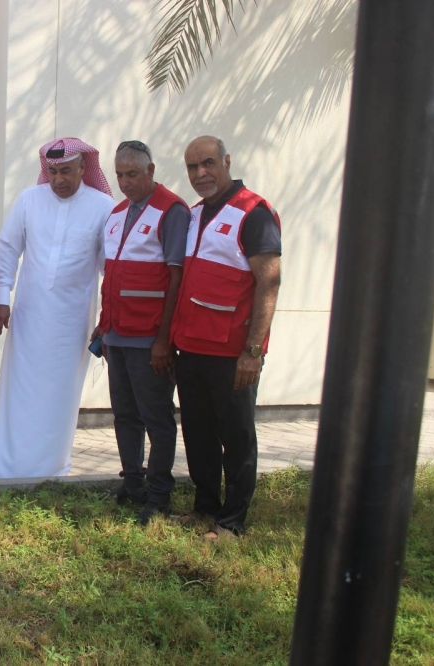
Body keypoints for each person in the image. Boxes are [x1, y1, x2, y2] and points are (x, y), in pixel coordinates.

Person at [0, 138, 115, 479]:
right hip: (28, 315)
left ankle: (50, 469)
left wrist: (109, 317)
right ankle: (4, 467)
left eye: (66, 171)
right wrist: (0, 299)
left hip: (72, 320)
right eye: (52, 172)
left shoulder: (103, 207)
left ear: (84, 169)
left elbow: (110, 268)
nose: (58, 180)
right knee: (19, 390)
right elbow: (9, 247)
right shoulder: (29, 200)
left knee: (59, 395)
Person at [172, 135, 282, 541]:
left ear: (226, 161)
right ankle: (205, 508)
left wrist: (253, 351)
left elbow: (268, 283)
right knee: (198, 434)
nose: (200, 174)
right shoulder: (196, 214)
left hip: (234, 354)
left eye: (208, 163)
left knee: (236, 437)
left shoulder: (255, 212)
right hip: (192, 348)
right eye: (192, 167)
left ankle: (232, 522)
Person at [90, 140, 189, 523]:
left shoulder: (172, 211)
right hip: (117, 333)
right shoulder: (115, 214)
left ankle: (159, 494)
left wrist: (164, 339)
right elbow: (112, 274)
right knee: (125, 414)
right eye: (119, 175)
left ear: (150, 171)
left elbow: (177, 277)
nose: (125, 182)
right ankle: (132, 484)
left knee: (156, 417)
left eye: (132, 174)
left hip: (150, 338)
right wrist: (103, 329)